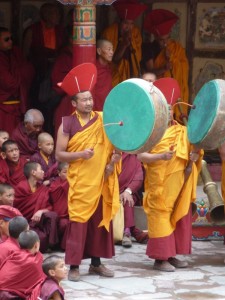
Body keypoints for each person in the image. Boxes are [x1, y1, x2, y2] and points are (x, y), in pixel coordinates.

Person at [55, 63, 121, 281]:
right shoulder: (67, 124)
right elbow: (59, 155)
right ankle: (73, 265)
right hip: (81, 180)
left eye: (90, 98)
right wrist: (80, 155)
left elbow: (115, 139)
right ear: (74, 103)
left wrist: (114, 159)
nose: (89, 102)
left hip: (101, 178)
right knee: (79, 222)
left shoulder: (102, 119)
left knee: (99, 222)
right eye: (84, 99)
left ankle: (96, 263)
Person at [137, 78, 203, 272]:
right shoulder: (150, 132)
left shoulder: (181, 131)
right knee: (160, 215)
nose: (166, 113)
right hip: (159, 183)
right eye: (162, 109)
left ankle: (171, 255)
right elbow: (141, 156)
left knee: (176, 214)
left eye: (168, 109)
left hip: (179, 181)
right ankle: (160, 259)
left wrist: (194, 154)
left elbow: (195, 150)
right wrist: (161, 156)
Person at [143, 9, 189, 117]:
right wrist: (164, 68)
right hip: (158, 90)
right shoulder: (149, 48)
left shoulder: (175, 48)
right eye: (161, 40)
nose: (164, 43)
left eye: (166, 39)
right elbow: (150, 72)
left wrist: (173, 61)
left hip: (175, 88)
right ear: (156, 38)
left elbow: (184, 66)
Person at [22, 3, 64, 109]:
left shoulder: (60, 30)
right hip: (37, 73)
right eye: (56, 13)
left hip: (55, 72)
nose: (59, 16)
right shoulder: (32, 30)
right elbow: (25, 54)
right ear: (46, 15)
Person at [14, 161, 59, 253]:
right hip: (25, 223)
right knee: (41, 239)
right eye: (41, 170)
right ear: (33, 172)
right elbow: (16, 208)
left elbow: (50, 207)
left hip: (38, 222)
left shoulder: (42, 188)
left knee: (52, 215)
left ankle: (50, 244)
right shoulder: (21, 187)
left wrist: (41, 211)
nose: (43, 172)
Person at [102, 0, 147, 86]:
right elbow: (110, 61)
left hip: (131, 73)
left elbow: (138, 57)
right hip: (114, 76)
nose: (128, 27)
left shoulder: (135, 33)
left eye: (131, 24)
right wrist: (124, 44)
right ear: (119, 22)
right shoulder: (109, 33)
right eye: (126, 23)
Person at [0, 27, 34, 135]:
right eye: (6, 39)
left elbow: (30, 71)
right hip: (4, 107)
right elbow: (9, 83)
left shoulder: (15, 53)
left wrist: (18, 74)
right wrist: (21, 74)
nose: (10, 41)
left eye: (11, 38)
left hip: (17, 105)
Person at [0, 230, 45, 299]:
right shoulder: (34, 261)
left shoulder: (15, 254)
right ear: (36, 244)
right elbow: (41, 280)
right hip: (9, 296)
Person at [118, 153, 147, 248]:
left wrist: (128, 191)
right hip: (109, 191)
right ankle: (134, 231)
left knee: (128, 199)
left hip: (126, 191)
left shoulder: (132, 156)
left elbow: (138, 178)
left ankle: (126, 233)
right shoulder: (108, 152)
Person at [49, 162, 69, 250]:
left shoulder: (76, 183)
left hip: (73, 214)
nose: (68, 174)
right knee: (63, 224)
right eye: (65, 172)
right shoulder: (54, 185)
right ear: (59, 172)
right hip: (60, 215)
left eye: (70, 172)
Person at [92, 39, 114, 111]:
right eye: (109, 49)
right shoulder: (94, 67)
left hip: (107, 104)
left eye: (112, 50)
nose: (112, 52)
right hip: (96, 105)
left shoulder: (109, 67)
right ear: (99, 51)